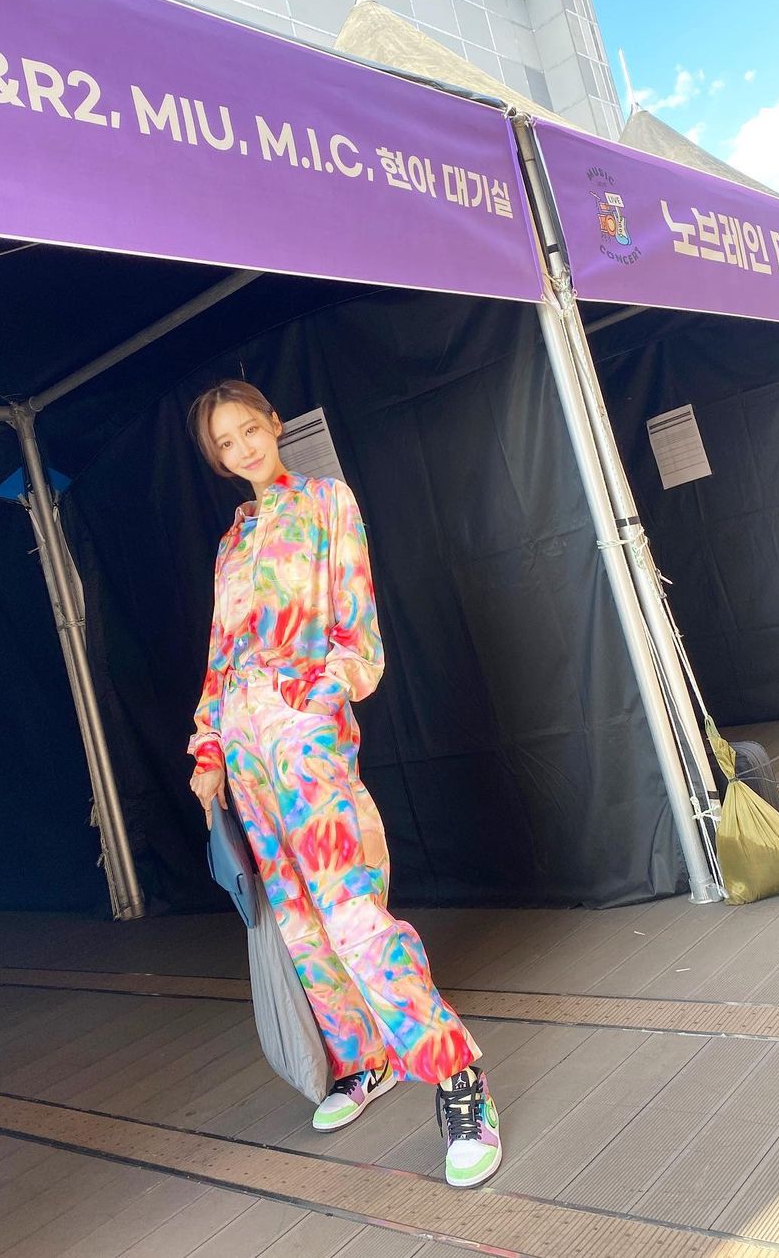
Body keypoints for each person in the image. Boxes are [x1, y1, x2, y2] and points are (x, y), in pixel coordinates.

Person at [186, 380, 502, 1189]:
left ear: (273, 424)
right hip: (245, 751)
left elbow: (358, 628)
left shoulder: (327, 502)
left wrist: (320, 695)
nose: (243, 448)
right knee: (297, 921)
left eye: (249, 429)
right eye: (225, 443)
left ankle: (457, 1076)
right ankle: (363, 1059)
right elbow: (220, 655)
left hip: (305, 735)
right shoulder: (229, 544)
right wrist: (209, 749)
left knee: (353, 914)